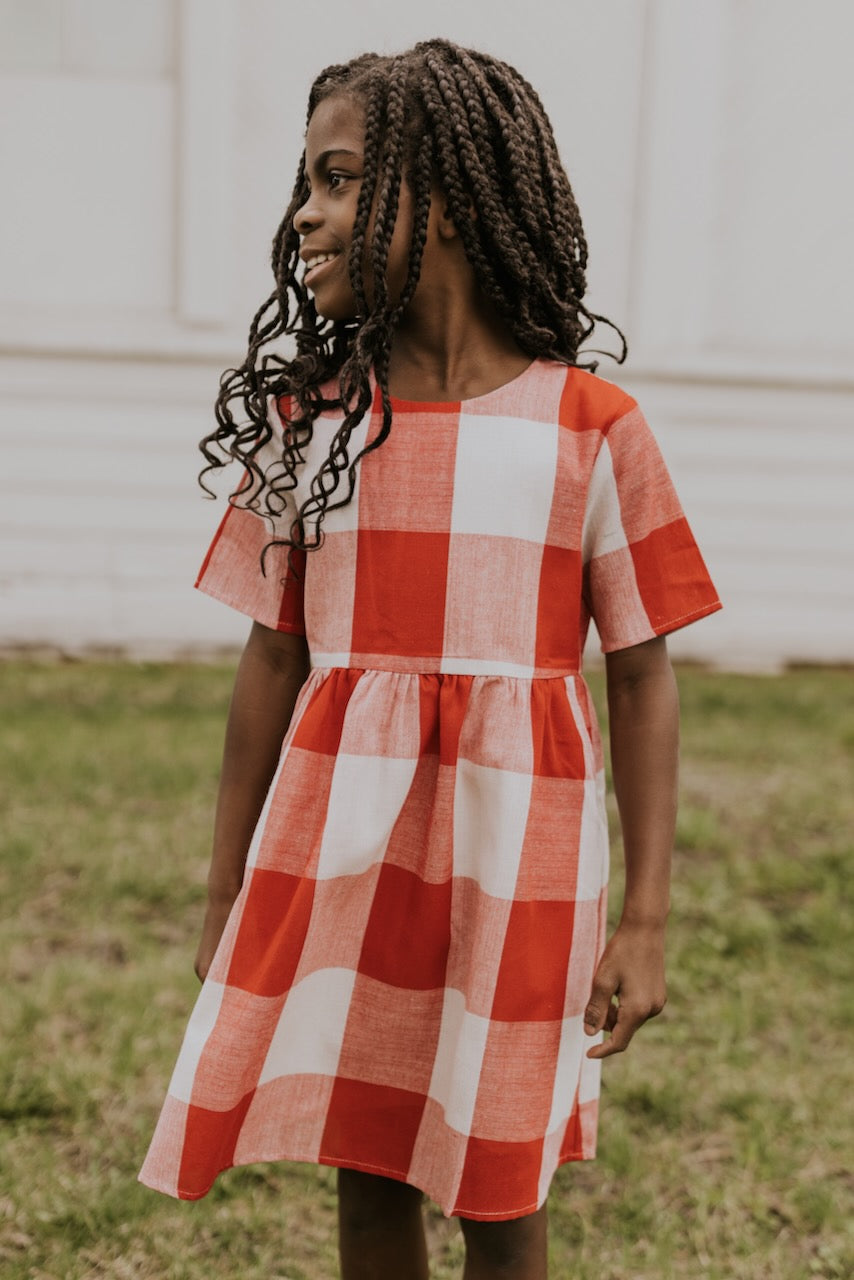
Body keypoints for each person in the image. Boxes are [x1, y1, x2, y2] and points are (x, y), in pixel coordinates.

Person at [140, 39, 721, 1279]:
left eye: (338, 178)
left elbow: (640, 673)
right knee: (367, 1157)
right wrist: (223, 887)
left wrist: (651, 919)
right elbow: (270, 657)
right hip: (347, 851)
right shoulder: (313, 427)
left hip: (518, 865)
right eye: (305, 182)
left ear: (444, 197)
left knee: (499, 1183)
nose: (306, 213)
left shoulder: (591, 430)